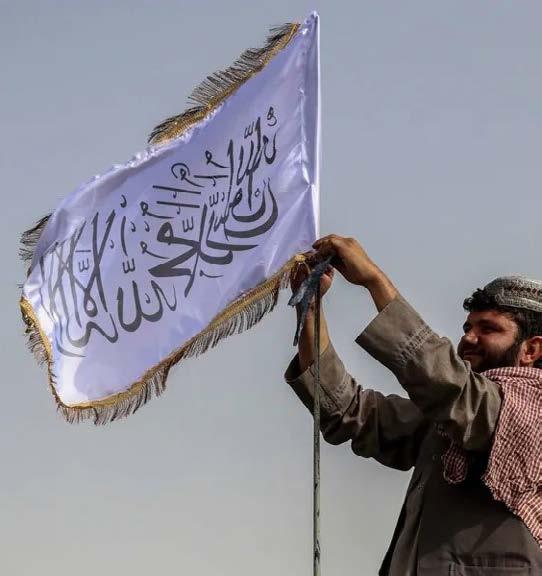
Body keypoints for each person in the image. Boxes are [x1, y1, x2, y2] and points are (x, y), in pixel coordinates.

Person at [285, 234, 542, 576]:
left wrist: (374, 280)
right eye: (467, 327)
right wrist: (310, 308)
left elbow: (451, 388)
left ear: (531, 350)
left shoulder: (530, 410)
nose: (469, 337)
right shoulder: (453, 417)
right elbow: (350, 412)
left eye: (488, 329)